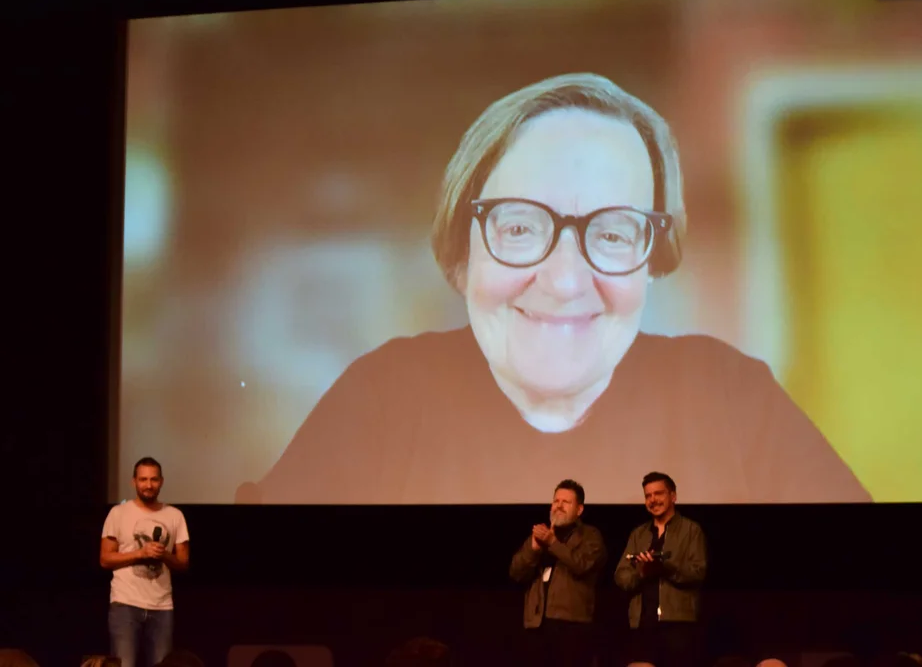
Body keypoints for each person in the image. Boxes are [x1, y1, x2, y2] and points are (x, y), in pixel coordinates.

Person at [240, 72, 871, 505]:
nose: (566, 281)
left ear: (652, 263)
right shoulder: (381, 398)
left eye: (614, 233)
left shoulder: (732, 401)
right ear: (463, 252)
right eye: (519, 227)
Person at [100, 458, 190, 667]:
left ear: (161, 481)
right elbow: (105, 558)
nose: (148, 485)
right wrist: (140, 553)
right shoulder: (118, 513)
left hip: (162, 606)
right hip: (125, 604)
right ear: (134, 481)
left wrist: (164, 555)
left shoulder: (175, 516)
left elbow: (183, 562)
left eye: (153, 480)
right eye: (143, 479)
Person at [509, 479, 606, 667]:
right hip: (537, 623)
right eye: (556, 501)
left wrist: (553, 543)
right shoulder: (541, 535)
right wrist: (533, 550)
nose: (559, 506)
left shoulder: (590, 535)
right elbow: (515, 572)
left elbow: (582, 565)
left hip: (571, 624)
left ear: (579, 510)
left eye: (566, 502)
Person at [615, 472, 707, 667]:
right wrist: (641, 573)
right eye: (648, 496)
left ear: (673, 496)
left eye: (658, 493)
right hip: (642, 623)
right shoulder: (638, 534)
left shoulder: (691, 530)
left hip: (678, 623)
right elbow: (621, 576)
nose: (653, 500)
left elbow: (698, 572)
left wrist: (664, 568)